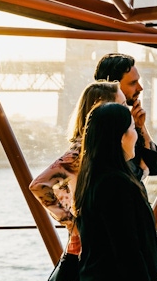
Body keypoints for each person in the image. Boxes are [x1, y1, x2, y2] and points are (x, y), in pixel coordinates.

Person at [68, 102, 157, 281]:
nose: (136, 134)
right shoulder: (117, 184)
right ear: (120, 136)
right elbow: (127, 250)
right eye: (133, 128)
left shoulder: (90, 179)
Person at [29, 81, 126, 254]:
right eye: (123, 105)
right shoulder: (82, 150)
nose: (128, 111)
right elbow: (39, 185)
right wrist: (73, 225)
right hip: (92, 246)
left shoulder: (98, 147)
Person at [94, 53, 157, 180]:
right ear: (113, 86)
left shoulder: (126, 123)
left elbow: (154, 167)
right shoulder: (102, 130)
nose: (140, 88)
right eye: (133, 83)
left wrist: (140, 127)